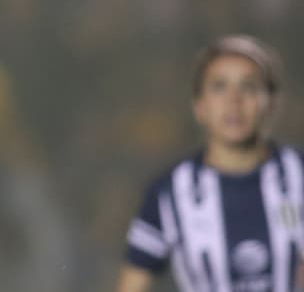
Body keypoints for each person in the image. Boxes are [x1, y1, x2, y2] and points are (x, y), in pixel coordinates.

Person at [114, 35, 304, 292]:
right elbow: (131, 284)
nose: (234, 100)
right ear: (199, 106)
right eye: (219, 87)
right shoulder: (169, 193)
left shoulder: (298, 174)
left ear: (269, 102)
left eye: (248, 86)